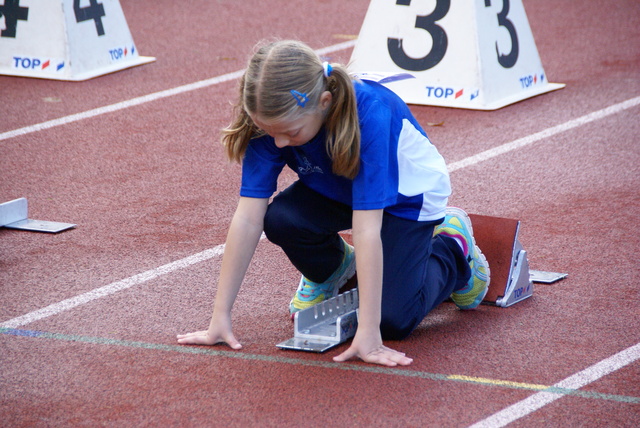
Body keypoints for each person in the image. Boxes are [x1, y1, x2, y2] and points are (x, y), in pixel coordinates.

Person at [177, 40, 490, 367]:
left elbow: (367, 228)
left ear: (324, 103)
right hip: (338, 187)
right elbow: (247, 218)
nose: (279, 142)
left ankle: (452, 250)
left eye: (290, 132)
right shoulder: (273, 123)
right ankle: (334, 269)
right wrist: (220, 317)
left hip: (406, 197)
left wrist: (369, 331)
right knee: (281, 219)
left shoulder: (370, 114)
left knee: (393, 320)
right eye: (269, 132)